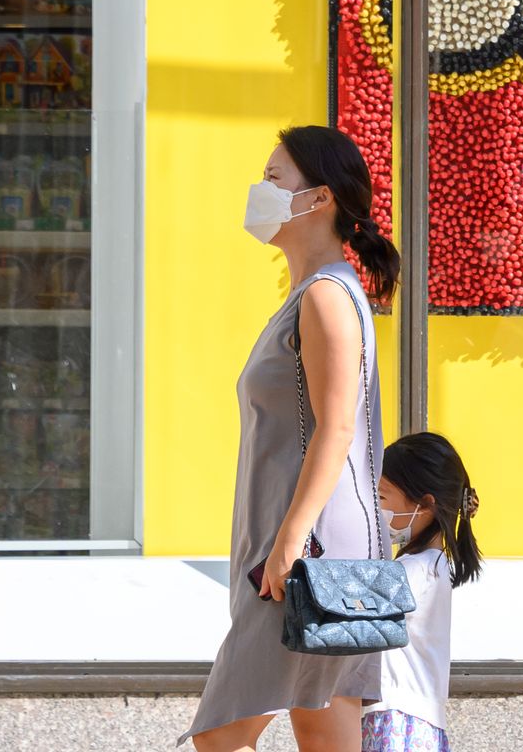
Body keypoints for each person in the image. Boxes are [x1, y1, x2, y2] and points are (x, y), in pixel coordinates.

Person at [185, 125, 402, 752]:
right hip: (316, 541)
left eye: (276, 178)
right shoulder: (320, 292)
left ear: (320, 198)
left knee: (222, 736)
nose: (263, 189)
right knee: (322, 720)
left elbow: (336, 429)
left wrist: (285, 543)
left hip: (306, 548)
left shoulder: (328, 297)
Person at [361, 432, 484, 752]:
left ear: (425, 505)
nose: (376, 506)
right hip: (417, 720)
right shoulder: (434, 564)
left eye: (383, 496)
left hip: (397, 719)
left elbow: (355, 601)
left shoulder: (417, 570)